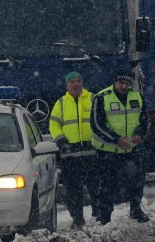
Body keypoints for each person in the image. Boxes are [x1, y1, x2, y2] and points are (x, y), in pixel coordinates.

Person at [91, 68, 150, 224]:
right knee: (106, 185)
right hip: (108, 151)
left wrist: (140, 135)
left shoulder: (137, 97)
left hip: (131, 149)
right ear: (115, 82)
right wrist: (116, 139)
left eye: (127, 83)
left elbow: (145, 121)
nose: (124, 86)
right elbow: (97, 125)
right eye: (121, 83)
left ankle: (136, 209)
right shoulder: (101, 97)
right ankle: (105, 216)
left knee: (137, 180)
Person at [48, 71, 98, 229]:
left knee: (97, 188)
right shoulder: (61, 103)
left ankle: (100, 215)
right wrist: (60, 139)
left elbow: (102, 119)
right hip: (71, 156)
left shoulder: (92, 99)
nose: (75, 84)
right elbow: (54, 124)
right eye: (72, 82)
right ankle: (77, 219)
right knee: (73, 191)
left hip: (92, 154)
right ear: (67, 85)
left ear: (82, 83)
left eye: (78, 81)